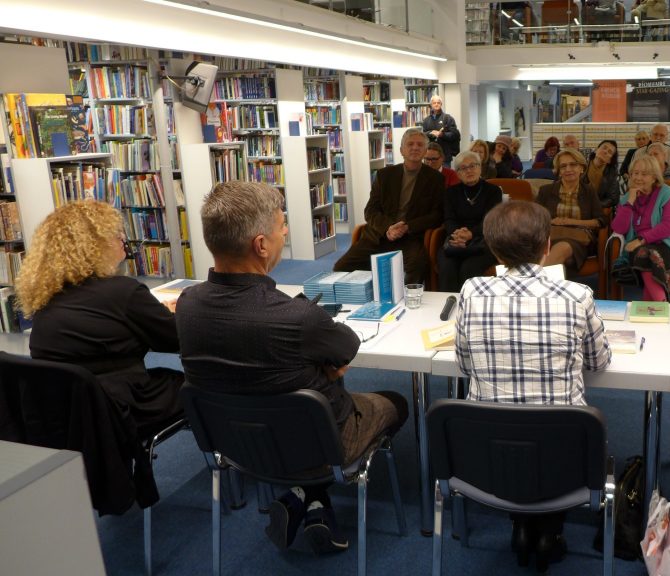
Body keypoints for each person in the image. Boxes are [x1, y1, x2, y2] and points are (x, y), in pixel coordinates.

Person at [176, 181, 409, 555]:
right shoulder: (299, 317)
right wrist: (322, 368)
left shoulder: (187, 305)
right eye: (282, 226)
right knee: (397, 402)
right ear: (261, 245)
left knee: (307, 396)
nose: (285, 233)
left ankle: (305, 498)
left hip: (237, 445)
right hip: (316, 442)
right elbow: (347, 347)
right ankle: (310, 493)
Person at [454, 200, 612, 571]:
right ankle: (548, 531)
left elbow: (464, 365)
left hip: (488, 455)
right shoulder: (577, 295)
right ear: (547, 246)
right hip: (564, 456)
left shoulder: (471, 292)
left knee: (513, 426)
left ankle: (522, 526)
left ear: (494, 251)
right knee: (550, 431)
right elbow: (598, 362)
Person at [16, 200, 184, 436]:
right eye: (117, 235)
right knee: (193, 385)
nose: (123, 240)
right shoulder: (123, 292)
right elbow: (175, 339)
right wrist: (175, 311)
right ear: (96, 245)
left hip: (67, 415)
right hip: (122, 408)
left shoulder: (46, 300)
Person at [333, 129, 444, 283]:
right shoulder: (384, 175)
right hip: (379, 235)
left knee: (417, 266)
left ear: (425, 151)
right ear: (401, 150)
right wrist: (388, 228)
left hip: (410, 237)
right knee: (341, 268)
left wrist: (407, 227)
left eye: (420, 145)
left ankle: (407, 298)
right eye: (410, 144)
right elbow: (370, 210)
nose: (415, 147)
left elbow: (437, 215)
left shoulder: (436, 179)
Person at [612, 154, 670, 303]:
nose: (638, 178)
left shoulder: (667, 193)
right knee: (645, 254)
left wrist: (641, 240)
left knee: (645, 254)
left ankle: (659, 304)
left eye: (644, 174)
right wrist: (629, 202)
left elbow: (668, 226)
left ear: (654, 177)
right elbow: (619, 228)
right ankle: (659, 305)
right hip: (643, 246)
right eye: (635, 173)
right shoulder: (628, 197)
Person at [438, 151, 502, 292]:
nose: (469, 170)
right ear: (458, 173)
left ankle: (468, 303)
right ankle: (448, 303)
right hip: (455, 240)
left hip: (483, 241)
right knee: (447, 266)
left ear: (480, 168)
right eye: (463, 168)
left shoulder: (493, 191)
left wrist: (470, 234)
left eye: (472, 166)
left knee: (469, 268)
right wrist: (457, 235)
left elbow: (490, 220)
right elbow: (449, 219)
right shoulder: (450, 193)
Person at [535, 148, 607, 273]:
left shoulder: (589, 191)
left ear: (581, 168)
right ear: (558, 171)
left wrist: (569, 221)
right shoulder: (545, 190)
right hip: (549, 237)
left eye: (573, 164)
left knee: (562, 248)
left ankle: (532, 281)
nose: (568, 169)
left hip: (578, 240)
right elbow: (534, 218)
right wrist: (551, 222)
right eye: (563, 166)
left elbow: (600, 221)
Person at [419, 94, 460, 165]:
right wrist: (431, 133)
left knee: (445, 172)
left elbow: (454, 134)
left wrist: (442, 134)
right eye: (434, 103)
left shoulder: (448, 118)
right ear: (431, 105)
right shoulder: (426, 120)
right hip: (429, 157)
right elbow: (423, 135)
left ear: (441, 104)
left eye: (438, 103)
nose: (436, 104)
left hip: (445, 156)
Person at [582, 139, 620, 207]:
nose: (605, 151)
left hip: (597, 208)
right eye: (604, 148)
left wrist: (596, 205)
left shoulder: (612, 173)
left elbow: (612, 199)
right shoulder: (582, 164)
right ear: (596, 150)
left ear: (610, 160)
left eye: (609, 152)